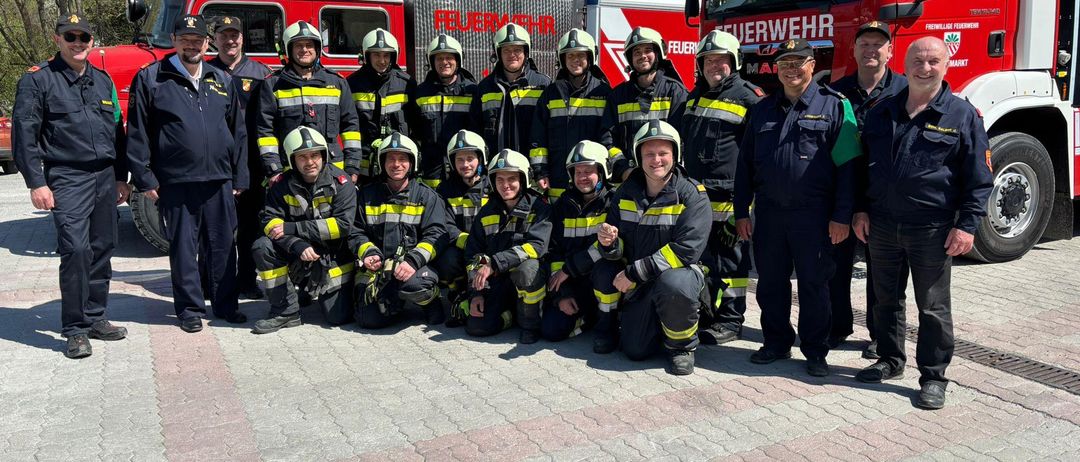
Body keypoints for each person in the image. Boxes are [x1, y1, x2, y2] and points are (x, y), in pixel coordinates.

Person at [853, 37, 993, 410]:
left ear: (947, 65)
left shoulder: (963, 115)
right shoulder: (884, 111)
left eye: (933, 60)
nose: (924, 67)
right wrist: (860, 209)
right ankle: (890, 358)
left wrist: (966, 226)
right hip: (881, 223)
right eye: (918, 59)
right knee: (885, 299)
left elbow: (979, 178)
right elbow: (862, 168)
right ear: (904, 62)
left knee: (932, 306)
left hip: (932, 228)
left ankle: (933, 376)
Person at [734, 38, 860, 377]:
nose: (791, 68)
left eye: (798, 61)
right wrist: (741, 211)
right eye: (785, 62)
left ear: (812, 65)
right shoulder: (761, 110)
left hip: (815, 216)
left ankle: (815, 350)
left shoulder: (835, 106)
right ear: (776, 69)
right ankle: (776, 341)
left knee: (814, 284)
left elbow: (848, 168)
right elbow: (744, 165)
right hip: (770, 214)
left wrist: (841, 216)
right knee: (771, 283)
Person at [13, 13, 130, 358]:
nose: (78, 43)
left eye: (84, 38)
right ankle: (75, 329)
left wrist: (122, 177)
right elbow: (25, 136)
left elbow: (117, 131)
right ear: (57, 40)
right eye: (70, 37)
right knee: (76, 250)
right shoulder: (38, 81)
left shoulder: (102, 79)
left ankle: (96, 317)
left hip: (105, 177)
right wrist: (37, 182)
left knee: (103, 246)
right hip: (67, 177)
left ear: (92, 42)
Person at [126, 14, 249, 332]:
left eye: (197, 40)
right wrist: (144, 176)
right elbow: (138, 130)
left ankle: (225, 305)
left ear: (207, 43)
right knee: (183, 247)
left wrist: (240, 176)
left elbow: (238, 131)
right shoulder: (153, 77)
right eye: (185, 40)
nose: (191, 46)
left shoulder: (220, 79)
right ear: (174, 41)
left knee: (223, 245)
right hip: (176, 181)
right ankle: (190, 309)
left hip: (219, 180)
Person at [592, 120, 710, 375]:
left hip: (679, 275)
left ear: (675, 155)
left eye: (663, 153)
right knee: (635, 351)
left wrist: (633, 274)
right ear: (638, 157)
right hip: (642, 280)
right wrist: (609, 243)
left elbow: (685, 251)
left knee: (674, 284)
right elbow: (617, 243)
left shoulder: (692, 194)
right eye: (649, 154)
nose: (656, 160)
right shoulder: (625, 192)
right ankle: (657, 326)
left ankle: (682, 347)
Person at [672, 30, 763, 346]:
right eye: (708, 59)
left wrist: (747, 201)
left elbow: (756, 155)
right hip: (697, 196)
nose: (715, 65)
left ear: (734, 61)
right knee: (705, 257)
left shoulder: (749, 98)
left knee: (732, 261)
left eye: (721, 59)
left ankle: (731, 320)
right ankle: (711, 313)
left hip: (730, 197)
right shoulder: (694, 97)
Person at [826, 21, 909, 357]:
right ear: (854, 50)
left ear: (890, 51)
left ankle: (879, 334)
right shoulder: (835, 91)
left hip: (881, 195)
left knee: (881, 269)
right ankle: (837, 326)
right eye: (864, 44)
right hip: (843, 191)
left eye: (879, 44)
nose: (871, 50)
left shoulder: (904, 91)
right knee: (836, 263)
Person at [251, 126, 357, 333]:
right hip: (299, 252)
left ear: (324, 155)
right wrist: (296, 244)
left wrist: (293, 228)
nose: (310, 162)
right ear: (292, 160)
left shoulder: (341, 183)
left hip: (333, 255)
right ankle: (285, 311)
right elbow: (269, 222)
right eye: (302, 157)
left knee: (337, 317)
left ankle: (314, 288)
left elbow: (343, 226)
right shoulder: (281, 185)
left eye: (315, 155)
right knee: (262, 246)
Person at [352, 132, 448, 328]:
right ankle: (394, 303)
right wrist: (368, 252)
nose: (396, 164)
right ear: (382, 162)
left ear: (412, 163)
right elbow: (355, 231)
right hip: (380, 268)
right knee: (368, 320)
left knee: (414, 285)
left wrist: (413, 261)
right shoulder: (367, 195)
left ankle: (431, 300)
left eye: (403, 159)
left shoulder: (426, 196)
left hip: (414, 267)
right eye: (391, 159)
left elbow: (437, 235)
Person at [208, 16, 274, 301]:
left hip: (253, 164)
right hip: (217, 163)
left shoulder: (261, 73)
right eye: (224, 35)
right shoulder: (204, 71)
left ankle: (247, 280)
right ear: (215, 39)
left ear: (242, 39)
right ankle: (217, 284)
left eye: (234, 35)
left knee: (249, 226)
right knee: (217, 229)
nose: (230, 40)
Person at [256, 21, 363, 183]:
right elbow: (265, 132)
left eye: (309, 45)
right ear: (288, 50)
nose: (304, 50)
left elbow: (351, 128)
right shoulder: (273, 85)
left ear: (318, 49)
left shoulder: (337, 83)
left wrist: (353, 167)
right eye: (298, 45)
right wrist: (273, 169)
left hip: (333, 170)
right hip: (289, 171)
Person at [463, 149, 552, 343]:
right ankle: (510, 316)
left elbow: (536, 246)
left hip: (530, 277)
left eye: (511, 179)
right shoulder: (486, 212)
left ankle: (530, 324)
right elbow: (473, 255)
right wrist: (477, 293)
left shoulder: (539, 208)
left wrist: (495, 262)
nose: (505, 185)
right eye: (499, 179)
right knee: (477, 327)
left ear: (523, 179)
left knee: (528, 269)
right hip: (498, 281)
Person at [543, 140, 613, 343]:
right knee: (551, 330)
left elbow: (607, 248)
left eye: (588, 171)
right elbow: (554, 251)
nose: (582, 177)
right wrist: (563, 295)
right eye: (577, 172)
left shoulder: (614, 202)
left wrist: (569, 269)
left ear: (602, 172)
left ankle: (608, 325)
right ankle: (588, 317)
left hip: (605, 281)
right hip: (573, 283)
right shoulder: (562, 206)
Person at [528, 29, 612, 199]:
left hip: (591, 180)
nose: (575, 60)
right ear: (562, 59)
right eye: (570, 56)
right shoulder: (551, 93)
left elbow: (608, 137)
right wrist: (540, 171)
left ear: (590, 58)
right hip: (558, 179)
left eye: (580, 55)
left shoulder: (603, 92)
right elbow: (538, 138)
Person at [600, 27, 688, 182]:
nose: (642, 56)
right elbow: (607, 139)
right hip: (628, 180)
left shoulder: (675, 92)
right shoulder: (618, 95)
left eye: (648, 50)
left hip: (665, 179)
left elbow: (682, 139)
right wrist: (624, 169)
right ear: (630, 58)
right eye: (637, 52)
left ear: (658, 53)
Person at [346, 28, 418, 185]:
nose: (382, 60)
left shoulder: (406, 83)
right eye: (376, 55)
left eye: (386, 55)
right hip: (364, 167)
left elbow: (416, 124)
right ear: (366, 55)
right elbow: (349, 126)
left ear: (393, 56)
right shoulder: (352, 84)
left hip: (397, 164)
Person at [433, 129, 489, 326]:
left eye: (470, 158)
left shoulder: (494, 186)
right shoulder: (445, 190)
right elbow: (444, 224)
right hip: (461, 246)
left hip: (491, 250)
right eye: (459, 160)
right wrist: (468, 242)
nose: (465, 164)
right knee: (447, 260)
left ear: (481, 159)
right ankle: (460, 292)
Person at [471, 23, 552, 155]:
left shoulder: (543, 85)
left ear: (526, 53)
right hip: (496, 169)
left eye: (517, 50)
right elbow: (476, 129)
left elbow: (550, 131)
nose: (512, 55)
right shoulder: (485, 87)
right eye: (506, 50)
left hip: (530, 167)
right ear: (498, 54)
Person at [414, 34, 478, 188]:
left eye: (449, 57)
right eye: (439, 58)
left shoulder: (472, 91)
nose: (444, 62)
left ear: (458, 60)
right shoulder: (421, 92)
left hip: (463, 168)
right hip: (432, 169)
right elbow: (414, 131)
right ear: (432, 62)